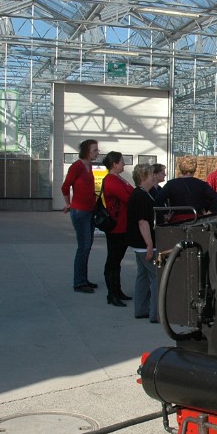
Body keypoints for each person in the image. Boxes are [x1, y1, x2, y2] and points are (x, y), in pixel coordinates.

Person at [61, 139, 99, 293]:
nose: (97, 152)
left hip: (89, 211)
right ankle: (79, 282)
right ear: (86, 151)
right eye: (94, 150)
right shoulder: (77, 166)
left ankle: (83, 279)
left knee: (87, 246)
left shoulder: (89, 166)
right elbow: (65, 186)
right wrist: (68, 203)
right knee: (83, 247)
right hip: (80, 212)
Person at [100, 151, 134, 307]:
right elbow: (128, 197)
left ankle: (117, 291)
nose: (124, 164)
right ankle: (111, 293)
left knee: (116, 261)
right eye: (122, 162)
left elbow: (131, 194)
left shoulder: (119, 179)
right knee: (113, 261)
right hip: (116, 227)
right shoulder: (111, 180)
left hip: (123, 225)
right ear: (114, 164)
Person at [126, 164, 159, 324]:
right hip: (143, 243)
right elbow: (142, 222)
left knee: (143, 275)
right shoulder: (140, 196)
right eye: (151, 174)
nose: (154, 176)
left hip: (138, 243)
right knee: (156, 276)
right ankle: (155, 313)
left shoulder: (144, 194)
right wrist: (149, 244)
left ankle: (141, 309)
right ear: (143, 177)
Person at [157, 155, 217, 225]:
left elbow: (158, 200)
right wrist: (208, 213)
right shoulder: (201, 184)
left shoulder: (171, 184)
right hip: (197, 221)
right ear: (195, 168)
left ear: (180, 167)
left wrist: (165, 215)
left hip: (176, 221)